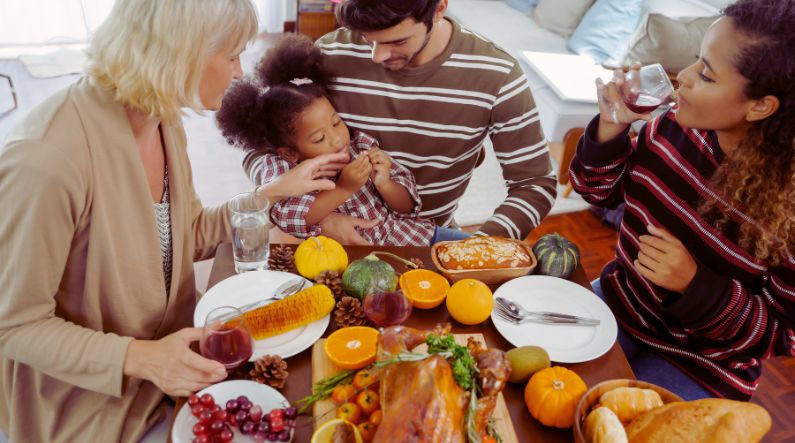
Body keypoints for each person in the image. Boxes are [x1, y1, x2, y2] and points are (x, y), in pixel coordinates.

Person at [0, 1, 348, 441]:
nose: (240, 72)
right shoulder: (46, 160)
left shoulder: (163, 120)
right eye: (232, 55)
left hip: (183, 359)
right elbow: (15, 325)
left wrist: (273, 192)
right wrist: (143, 358)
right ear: (182, 51)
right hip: (96, 401)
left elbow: (187, 235)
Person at [570, 0, 794, 401]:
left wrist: (696, 287)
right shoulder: (671, 126)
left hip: (706, 362)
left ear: (761, 106)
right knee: (544, 396)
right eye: (696, 61)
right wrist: (610, 130)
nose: (684, 78)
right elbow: (596, 192)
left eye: (706, 75)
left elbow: (780, 335)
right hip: (622, 303)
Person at [243, 0, 557, 245]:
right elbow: (262, 146)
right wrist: (324, 219)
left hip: (427, 234)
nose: (377, 56)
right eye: (367, 39)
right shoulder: (329, 53)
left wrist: (479, 248)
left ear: (438, 10)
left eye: (397, 41)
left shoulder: (498, 75)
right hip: (332, 235)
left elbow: (534, 184)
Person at [218, 34, 469, 246]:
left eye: (337, 122)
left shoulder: (361, 146)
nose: (337, 137)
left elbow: (407, 207)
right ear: (290, 153)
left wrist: (385, 183)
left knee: (481, 250)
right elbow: (290, 217)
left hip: (411, 237)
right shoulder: (282, 169)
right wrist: (343, 188)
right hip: (351, 257)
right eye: (319, 138)